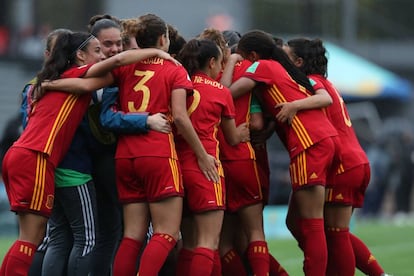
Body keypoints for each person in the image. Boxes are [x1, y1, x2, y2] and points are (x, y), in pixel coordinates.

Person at [40, 13, 219, 276]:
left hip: (124, 157)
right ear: (162, 39)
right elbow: (180, 116)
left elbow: (85, 84)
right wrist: (202, 155)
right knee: (166, 233)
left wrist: (48, 84)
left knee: (132, 235)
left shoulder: (125, 69)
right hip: (157, 154)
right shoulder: (173, 67)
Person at [0, 28, 182, 276]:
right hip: (37, 157)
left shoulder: (54, 81)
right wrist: (159, 53)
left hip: (19, 155)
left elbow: (98, 81)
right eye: (97, 50)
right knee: (33, 238)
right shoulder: (75, 72)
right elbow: (117, 61)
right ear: (80, 57)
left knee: (28, 237)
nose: (104, 55)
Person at [220, 30, 339, 276]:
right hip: (323, 139)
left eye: (242, 57)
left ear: (252, 55)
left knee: (312, 223)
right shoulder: (282, 68)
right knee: (296, 221)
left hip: (309, 142)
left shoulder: (262, 66)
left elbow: (225, 94)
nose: (241, 61)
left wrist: (230, 62)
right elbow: (315, 97)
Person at [282, 37, 388, 276]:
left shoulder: (310, 84)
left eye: (285, 56)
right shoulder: (323, 83)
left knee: (335, 231)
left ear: (299, 62)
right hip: (352, 161)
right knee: (299, 222)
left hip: (341, 164)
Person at [174, 38, 250, 276]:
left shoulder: (178, 84)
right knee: (208, 242)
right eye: (220, 62)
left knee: (188, 242)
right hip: (205, 167)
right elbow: (232, 137)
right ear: (211, 62)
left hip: (175, 165)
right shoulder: (219, 91)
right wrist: (244, 132)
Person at [219, 30, 288, 276]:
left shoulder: (203, 74)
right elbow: (257, 123)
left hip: (214, 163)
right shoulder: (250, 69)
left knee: (222, 242)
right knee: (253, 235)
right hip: (245, 159)